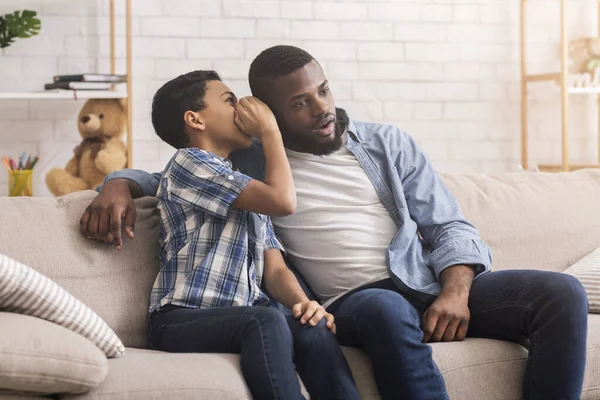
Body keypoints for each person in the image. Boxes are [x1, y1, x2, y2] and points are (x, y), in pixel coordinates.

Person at [81, 46, 589, 400]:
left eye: (323, 91)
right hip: (355, 301)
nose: (323, 109)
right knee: (387, 307)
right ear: (271, 115)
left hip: (423, 284)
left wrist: (456, 291)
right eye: (300, 104)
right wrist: (116, 184)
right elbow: (172, 173)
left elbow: (449, 227)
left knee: (560, 293)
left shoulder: (387, 143)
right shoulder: (252, 162)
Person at [124, 70, 360, 400]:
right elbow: (284, 201)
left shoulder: (243, 184)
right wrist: (269, 129)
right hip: (180, 318)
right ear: (195, 120)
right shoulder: (188, 164)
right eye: (229, 100)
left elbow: (276, 270)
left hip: (241, 314)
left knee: (314, 329)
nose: (241, 109)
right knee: (264, 320)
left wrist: (307, 305)